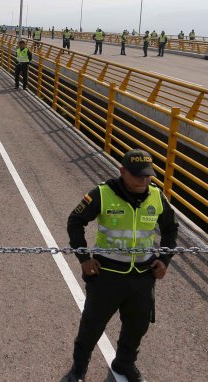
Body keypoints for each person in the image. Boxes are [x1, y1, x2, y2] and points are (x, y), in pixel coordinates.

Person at [65, 149, 179, 382]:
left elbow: (171, 229)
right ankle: (79, 368)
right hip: (107, 275)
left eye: (147, 176)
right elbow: (75, 222)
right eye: (137, 175)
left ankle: (124, 363)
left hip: (142, 276)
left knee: (137, 326)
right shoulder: (102, 194)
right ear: (122, 172)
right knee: (92, 325)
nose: (143, 180)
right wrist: (84, 258)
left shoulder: (156, 196)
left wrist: (165, 260)